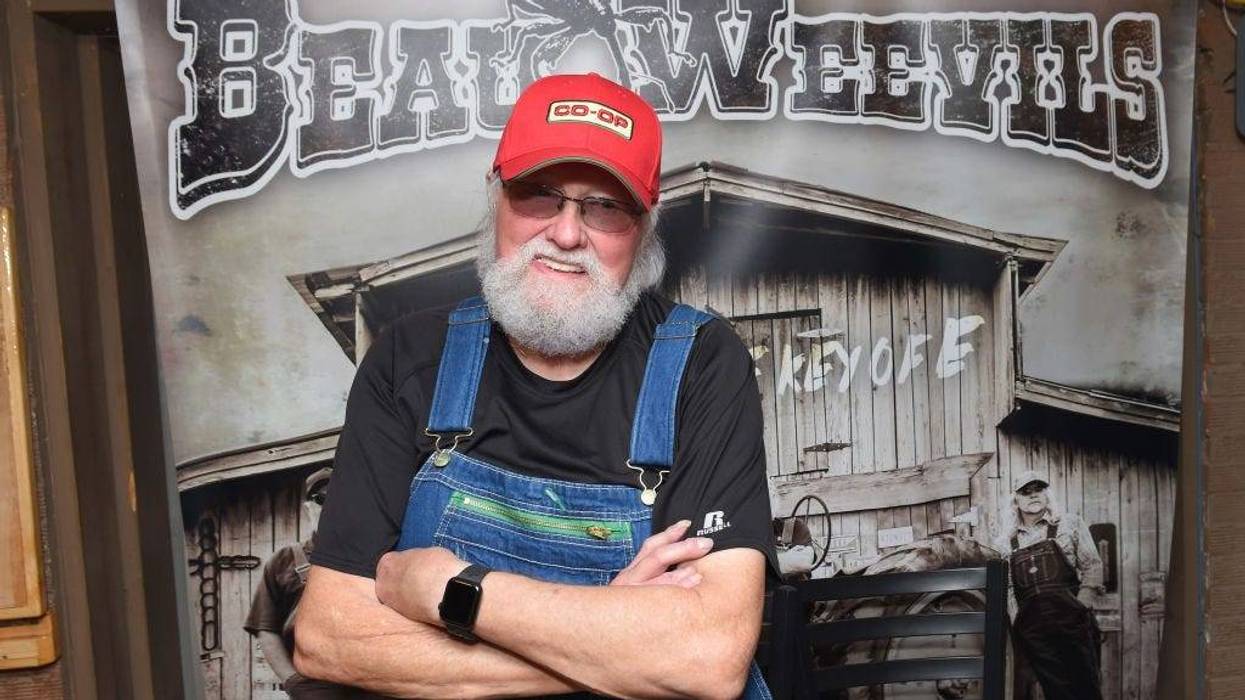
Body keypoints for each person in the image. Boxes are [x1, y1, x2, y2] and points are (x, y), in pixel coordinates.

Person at [294, 72, 777, 699]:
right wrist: (609, 643)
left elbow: (708, 659)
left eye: (605, 207)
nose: (568, 235)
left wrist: (453, 589)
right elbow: (328, 638)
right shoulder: (410, 359)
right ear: (495, 196)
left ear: (645, 228)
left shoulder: (704, 365)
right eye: (539, 196)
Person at [246, 467, 360, 698]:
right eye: (322, 499)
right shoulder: (284, 561)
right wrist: (293, 681)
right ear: (309, 509)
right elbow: (266, 629)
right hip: (316, 687)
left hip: (369, 685)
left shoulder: (372, 555)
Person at [995, 470, 1105, 700]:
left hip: (1073, 621)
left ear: (1047, 494)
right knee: (1056, 692)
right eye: (1026, 492)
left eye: (1039, 490)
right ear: (1016, 500)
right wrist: (1018, 619)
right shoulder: (1006, 541)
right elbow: (1006, 588)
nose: (1033, 495)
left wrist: (1081, 608)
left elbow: (1093, 566)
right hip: (1034, 630)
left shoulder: (1069, 524)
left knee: (1087, 688)